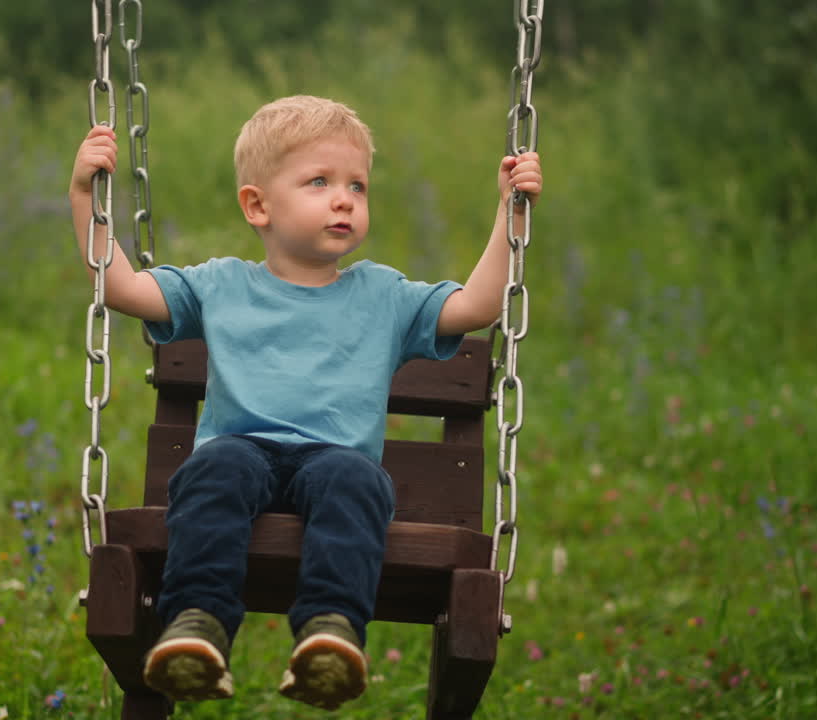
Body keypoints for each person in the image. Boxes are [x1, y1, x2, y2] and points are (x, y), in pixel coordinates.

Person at [68, 95, 542, 710]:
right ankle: (197, 625)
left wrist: (512, 214)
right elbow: (119, 285)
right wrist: (85, 196)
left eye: (357, 185)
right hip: (240, 453)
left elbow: (478, 307)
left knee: (355, 479)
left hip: (333, 459)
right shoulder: (220, 285)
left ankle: (330, 633)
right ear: (258, 205)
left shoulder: (384, 296)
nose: (344, 198)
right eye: (319, 182)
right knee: (212, 471)